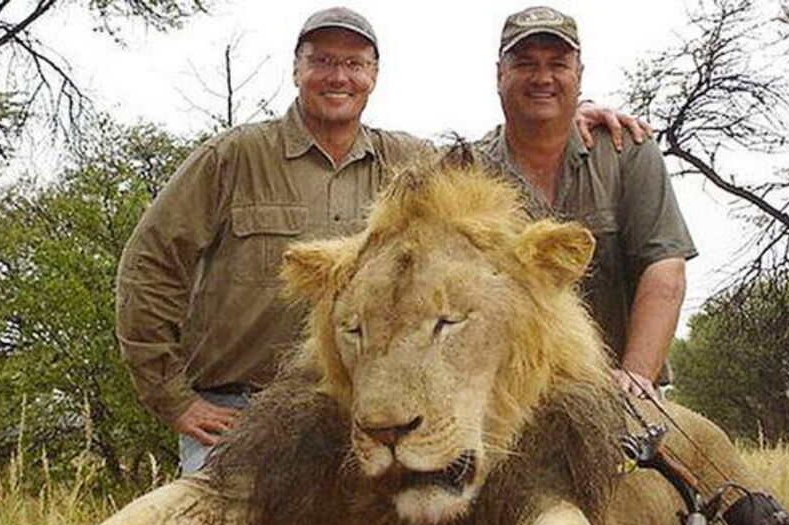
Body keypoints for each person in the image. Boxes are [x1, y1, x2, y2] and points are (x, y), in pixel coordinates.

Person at [116, 7, 651, 475]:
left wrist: (559, 118)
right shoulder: (232, 158)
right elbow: (149, 266)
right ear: (296, 69)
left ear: (373, 75)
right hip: (236, 407)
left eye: (354, 64)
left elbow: (488, 194)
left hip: (348, 405)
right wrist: (175, 400)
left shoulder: (410, 164)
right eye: (323, 61)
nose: (338, 76)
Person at [477, 6, 697, 399]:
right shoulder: (468, 169)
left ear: (579, 75)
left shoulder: (629, 151)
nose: (542, 77)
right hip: (507, 397)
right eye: (525, 64)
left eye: (558, 64)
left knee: (701, 455)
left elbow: (665, 269)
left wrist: (636, 378)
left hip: (618, 388)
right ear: (499, 75)